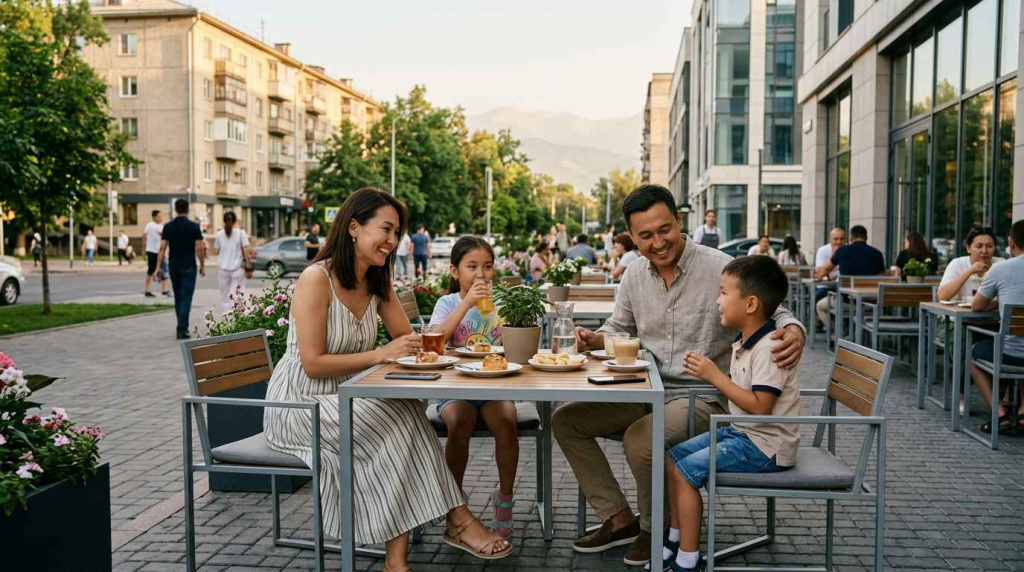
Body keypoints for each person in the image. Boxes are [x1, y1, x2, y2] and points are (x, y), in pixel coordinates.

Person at [553, 184, 805, 566]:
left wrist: (796, 331)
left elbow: (774, 308)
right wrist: (595, 338)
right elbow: (618, 328)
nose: (658, 242)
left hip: (706, 396)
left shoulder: (719, 266)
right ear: (632, 237)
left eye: (664, 229)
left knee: (642, 441)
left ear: (679, 221)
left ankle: (656, 530)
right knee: (566, 420)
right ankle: (620, 518)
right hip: (644, 388)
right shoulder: (635, 274)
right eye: (645, 235)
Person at [263, 188, 511, 570]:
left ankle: (402, 559)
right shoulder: (317, 279)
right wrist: (381, 354)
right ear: (353, 227)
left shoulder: (377, 282)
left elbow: (414, 340)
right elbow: (311, 363)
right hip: (299, 403)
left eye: (397, 233)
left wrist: (420, 346)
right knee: (401, 421)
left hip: (349, 395)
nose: (393, 241)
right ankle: (455, 521)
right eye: (386, 229)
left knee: (405, 412)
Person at [665, 255, 800, 572]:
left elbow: (760, 406)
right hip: (744, 434)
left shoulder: (769, 348)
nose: (717, 300)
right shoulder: (748, 340)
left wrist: (714, 376)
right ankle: (674, 536)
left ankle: (688, 557)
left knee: (686, 472)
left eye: (724, 292)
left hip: (766, 447)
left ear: (750, 304)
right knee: (672, 457)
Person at [428, 236, 519, 538]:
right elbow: (437, 340)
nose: (481, 274)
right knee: (459, 423)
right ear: (455, 272)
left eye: (488, 267)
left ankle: (504, 498)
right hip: (458, 386)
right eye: (472, 266)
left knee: (507, 423)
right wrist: (466, 302)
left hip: (494, 387)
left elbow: (515, 344)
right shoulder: (448, 302)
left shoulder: (501, 303)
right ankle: (456, 503)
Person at [970, 220, 1024, 434]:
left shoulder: (1001, 268)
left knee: (974, 353)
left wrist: (1000, 301)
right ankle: (1022, 412)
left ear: (1010, 243)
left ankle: (999, 414)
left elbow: (977, 306)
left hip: (1009, 353)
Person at [155, 199, 205, 339]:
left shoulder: (168, 227)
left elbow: (162, 247)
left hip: (174, 265)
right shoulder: (194, 227)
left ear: (176, 209)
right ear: (188, 209)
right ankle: (182, 328)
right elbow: (200, 248)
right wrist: (202, 265)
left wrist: (158, 267)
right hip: (189, 265)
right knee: (186, 297)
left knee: (178, 296)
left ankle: (181, 326)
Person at [815, 225, 885, 324]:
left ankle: (842, 333)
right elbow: (882, 276)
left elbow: (825, 269)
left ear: (850, 238)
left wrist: (820, 274)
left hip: (847, 301)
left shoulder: (842, 251)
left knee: (820, 306)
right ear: (866, 238)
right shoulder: (877, 253)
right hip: (870, 303)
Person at [938, 227, 1003, 302]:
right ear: (968, 248)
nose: (984, 251)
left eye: (989, 246)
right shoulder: (957, 263)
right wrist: (969, 271)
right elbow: (942, 296)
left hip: (991, 312)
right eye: (979, 246)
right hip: (958, 312)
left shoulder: (1001, 264)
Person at [213, 211, 250, 314]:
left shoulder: (219, 234)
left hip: (223, 269)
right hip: (238, 268)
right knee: (238, 293)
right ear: (235, 221)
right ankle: (239, 316)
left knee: (225, 296)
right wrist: (247, 263)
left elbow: (216, 251)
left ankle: (228, 317)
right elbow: (246, 249)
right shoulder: (241, 233)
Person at [143, 210, 170, 298]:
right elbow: (144, 236)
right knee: (152, 270)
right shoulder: (152, 225)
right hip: (153, 251)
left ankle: (164, 290)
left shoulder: (158, 226)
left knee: (162, 270)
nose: (161, 218)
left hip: (157, 251)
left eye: (162, 216)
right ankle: (148, 290)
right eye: (159, 216)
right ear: (154, 217)